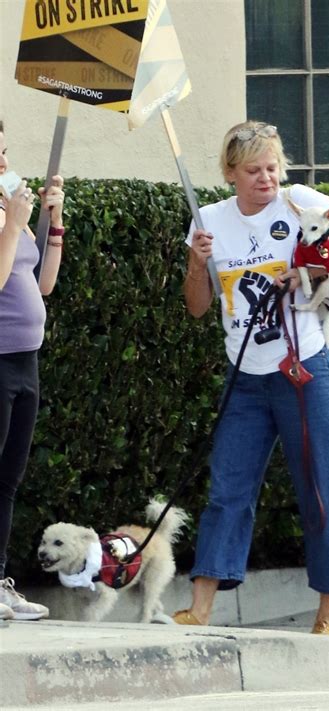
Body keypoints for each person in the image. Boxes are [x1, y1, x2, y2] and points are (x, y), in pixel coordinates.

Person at [172, 121, 329, 634]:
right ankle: (199, 609)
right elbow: (197, 308)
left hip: (304, 369)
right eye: (252, 170)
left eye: (271, 167)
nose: (266, 178)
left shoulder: (299, 201)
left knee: (321, 487)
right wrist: (197, 265)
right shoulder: (209, 221)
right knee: (227, 489)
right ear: (230, 173)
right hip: (244, 376)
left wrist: (308, 272)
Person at [0, 119, 65, 620]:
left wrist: (53, 222)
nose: (4, 163)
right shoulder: (7, 220)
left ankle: (0, 581)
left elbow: (41, 284)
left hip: (26, 361)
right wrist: (14, 226)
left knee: (9, 478)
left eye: (4, 151)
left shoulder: (9, 213)